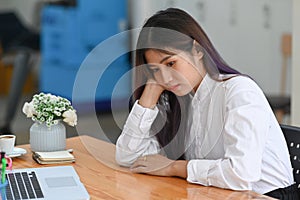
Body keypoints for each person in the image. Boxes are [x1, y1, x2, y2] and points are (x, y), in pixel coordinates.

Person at [115, 8, 298, 199]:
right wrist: (151, 92)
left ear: (197, 49)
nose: (165, 79)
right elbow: (128, 157)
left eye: (170, 64)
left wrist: (173, 167)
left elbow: (240, 174)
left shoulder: (239, 91)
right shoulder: (179, 102)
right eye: (155, 70)